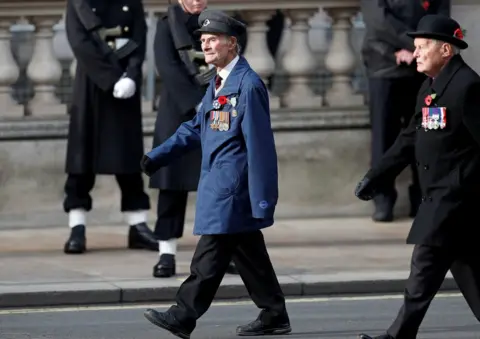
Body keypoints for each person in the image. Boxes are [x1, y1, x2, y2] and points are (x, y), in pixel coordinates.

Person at [141, 9, 291, 339]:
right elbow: (196, 127)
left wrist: (264, 201)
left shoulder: (248, 86)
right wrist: (157, 156)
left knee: (208, 258)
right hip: (219, 185)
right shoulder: (220, 82)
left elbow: (261, 148)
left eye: (213, 40)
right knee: (251, 256)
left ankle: (182, 315)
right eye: (204, 41)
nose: (206, 46)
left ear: (232, 44)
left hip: (232, 190)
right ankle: (275, 314)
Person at [355, 15, 480, 339]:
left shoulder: (468, 87)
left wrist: (460, 184)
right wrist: (376, 177)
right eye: (416, 47)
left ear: (446, 50)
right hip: (440, 198)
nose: (416, 53)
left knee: (423, 268)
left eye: (423, 46)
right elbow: (409, 137)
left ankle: (398, 335)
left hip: (454, 200)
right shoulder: (430, 87)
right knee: (469, 272)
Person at [151, 0, 238, 277]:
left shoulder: (218, 24)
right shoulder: (166, 27)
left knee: (221, 186)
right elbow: (167, 69)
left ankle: (223, 253)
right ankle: (166, 253)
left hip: (218, 110)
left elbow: (231, 64)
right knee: (172, 188)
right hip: (178, 112)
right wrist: (197, 103)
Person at [63, 0, 157, 254]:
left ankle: (138, 226)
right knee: (82, 160)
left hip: (125, 84)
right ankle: (77, 226)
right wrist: (110, 79)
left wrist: (132, 75)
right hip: (92, 85)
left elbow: (139, 37)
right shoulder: (79, 3)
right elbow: (81, 44)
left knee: (128, 157)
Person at [360, 0, 450, 222]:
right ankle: (382, 198)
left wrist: (419, 49)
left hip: (425, 68)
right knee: (384, 136)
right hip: (385, 63)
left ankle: (422, 197)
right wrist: (414, 46)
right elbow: (378, 20)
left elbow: (441, 18)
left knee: (427, 135)